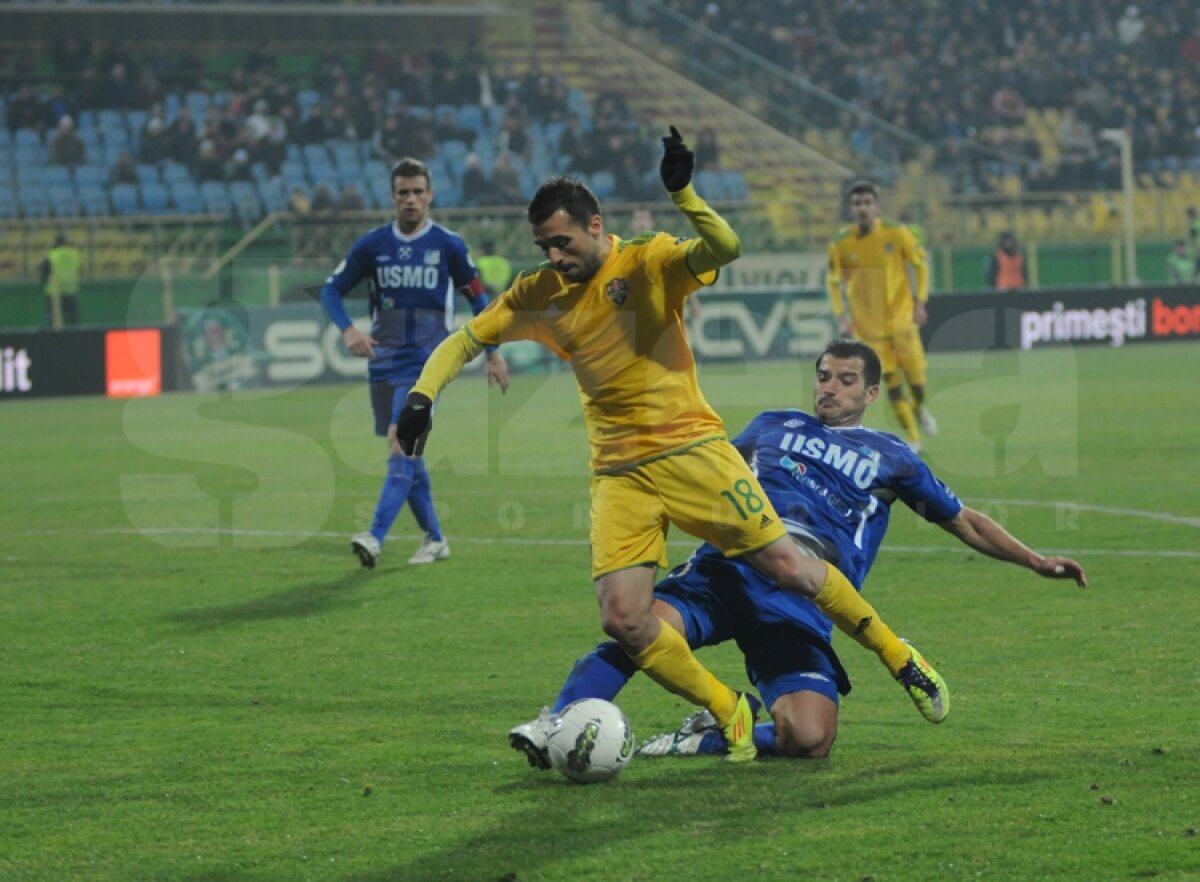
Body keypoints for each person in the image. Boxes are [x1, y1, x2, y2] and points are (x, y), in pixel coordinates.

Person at [393, 127, 948, 764]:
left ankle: (901, 658)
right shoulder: (539, 294)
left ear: (596, 225)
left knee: (790, 567)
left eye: (563, 242)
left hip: (692, 453)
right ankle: (727, 709)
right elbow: (465, 338)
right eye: (544, 245)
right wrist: (421, 395)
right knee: (624, 619)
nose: (553, 256)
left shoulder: (650, 261)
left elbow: (725, 245)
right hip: (619, 475)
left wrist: (683, 191)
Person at [510, 340, 1087, 765]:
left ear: (869, 393)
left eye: (843, 380)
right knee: (638, 629)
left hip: (806, 599)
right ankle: (555, 722)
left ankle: (705, 735)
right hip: (728, 568)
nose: (828, 388)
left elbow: (964, 521)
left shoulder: (893, 456)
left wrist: (1034, 560)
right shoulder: (770, 426)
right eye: (822, 377)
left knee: (811, 740)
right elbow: (701, 474)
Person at [319, 157, 509, 569]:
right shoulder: (373, 245)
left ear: (430, 195)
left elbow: (479, 299)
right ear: (392, 196)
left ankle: (374, 537)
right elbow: (331, 290)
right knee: (409, 452)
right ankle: (435, 538)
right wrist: (347, 330)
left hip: (428, 364)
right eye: (403, 193)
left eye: (417, 192)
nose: (410, 200)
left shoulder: (448, 245)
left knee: (401, 445)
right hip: (383, 363)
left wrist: (493, 352)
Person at [827, 180, 936, 453]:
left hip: (902, 322)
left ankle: (920, 408)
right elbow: (833, 282)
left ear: (876, 207)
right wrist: (842, 317)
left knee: (918, 383)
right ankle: (913, 438)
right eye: (857, 204)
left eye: (867, 203)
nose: (862, 208)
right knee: (892, 384)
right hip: (868, 329)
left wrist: (920, 302)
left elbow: (920, 265)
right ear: (851, 209)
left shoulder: (897, 233)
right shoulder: (841, 243)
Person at [40, 232, 83, 329]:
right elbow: (80, 269)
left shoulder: (52, 254)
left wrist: (43, 283)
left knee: (53, 320)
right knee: (73, 319)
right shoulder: (75, 253)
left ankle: (54, 340)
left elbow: (45, 272)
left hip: (54, 291)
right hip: (71, 290)